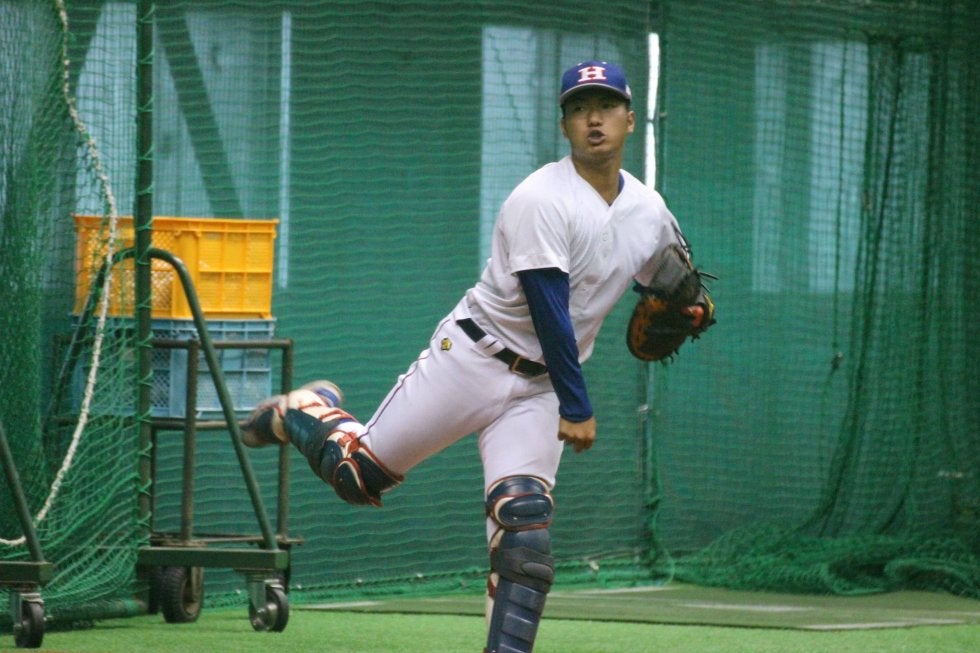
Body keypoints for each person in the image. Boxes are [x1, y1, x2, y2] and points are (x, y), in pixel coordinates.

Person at [243, 59, 712, 653]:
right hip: (472, 360)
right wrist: (577, 404)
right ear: (564, 124)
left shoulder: (649, 210)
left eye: (606, 106)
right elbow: (548, 308)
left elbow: (668, 278)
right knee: (358, 476)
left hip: (540, 388)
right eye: (578, 108)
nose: (594, 119)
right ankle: (304, 410)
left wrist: (691, 306)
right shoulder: (540, 198)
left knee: (524, 526)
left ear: (629, 118)